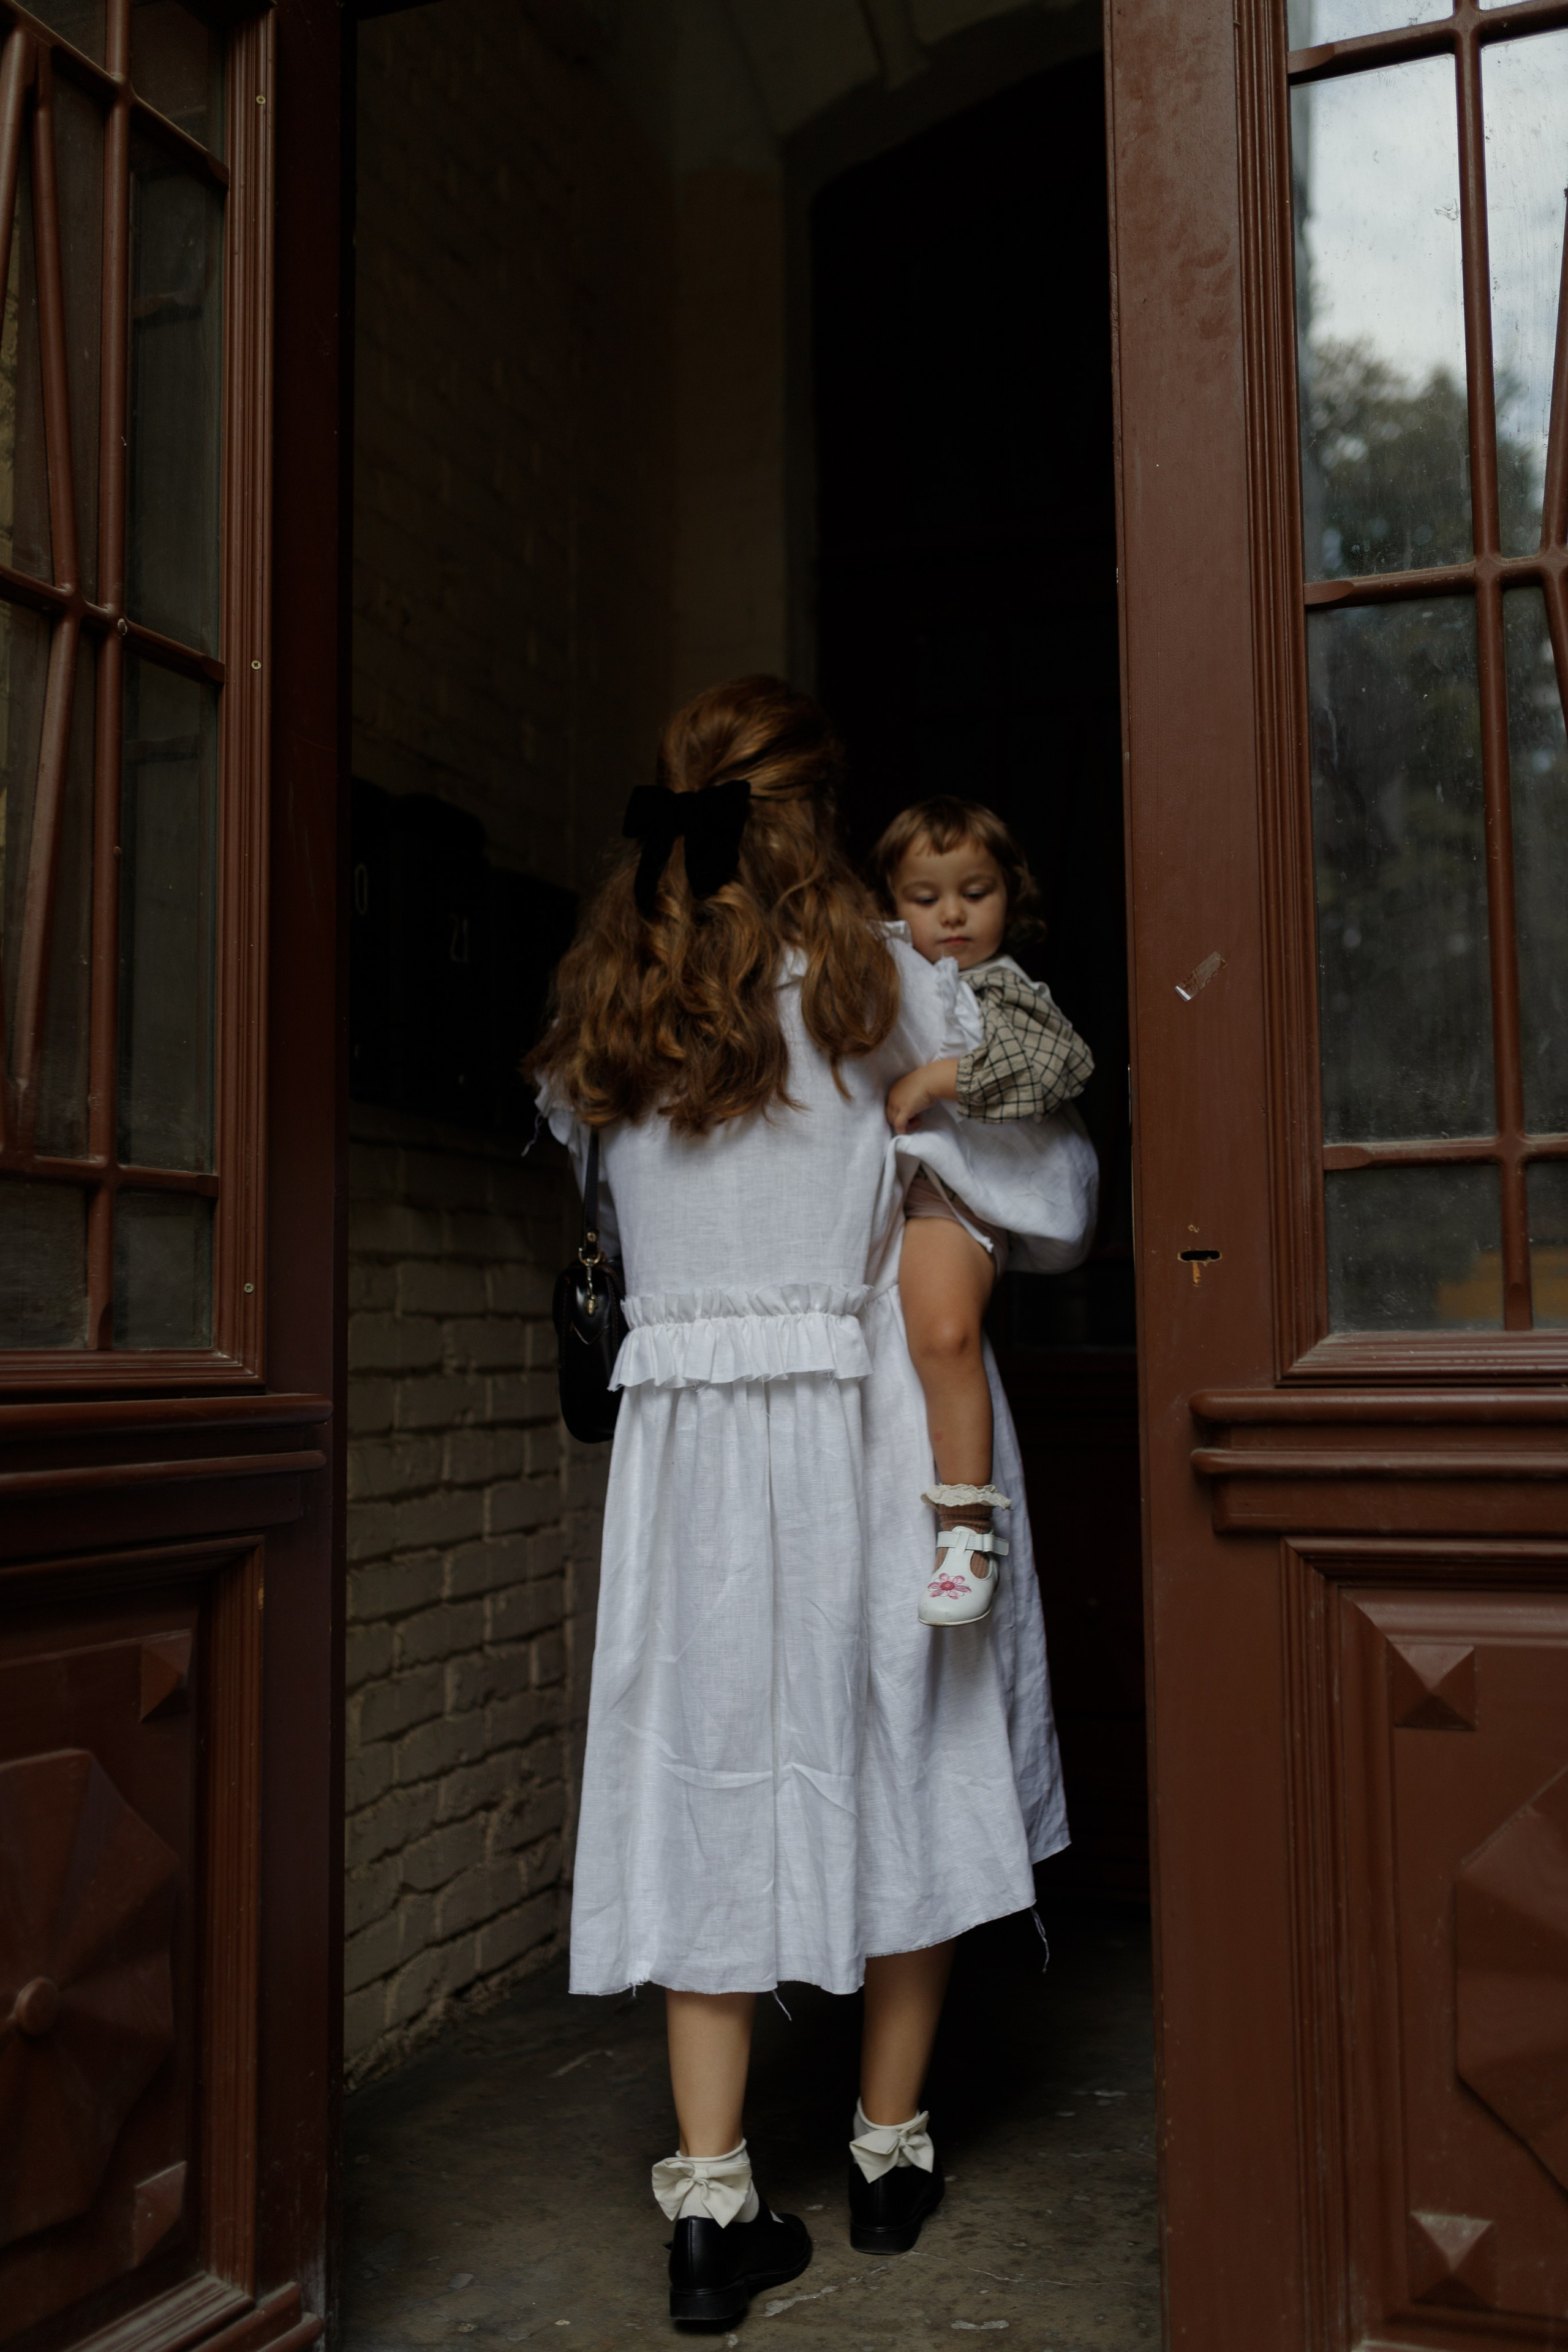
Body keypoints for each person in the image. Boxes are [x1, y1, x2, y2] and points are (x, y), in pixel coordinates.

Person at [530, 679, 1096, 2329]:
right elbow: (1049, 1196)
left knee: (705, 1773)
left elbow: (616, 1227)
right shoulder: (891, 987)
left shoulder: (608, 1015)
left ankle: (712, 2206)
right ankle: (888, 2145)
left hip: (687, 1465)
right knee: (902, 1758)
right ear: (818, 818)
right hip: (853, 1434)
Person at [870, 800, 1095, 1628]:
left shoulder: (1000, 989)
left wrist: (933, 1082)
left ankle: (966, 1534)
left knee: (944, 1335)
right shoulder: (880, 975)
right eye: (926, 898)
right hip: (883, 1197)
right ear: (891, 904)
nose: (954, 914)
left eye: (976, 890)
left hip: (957, 1196)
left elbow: (1060, 1063)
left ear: (1012, 896)